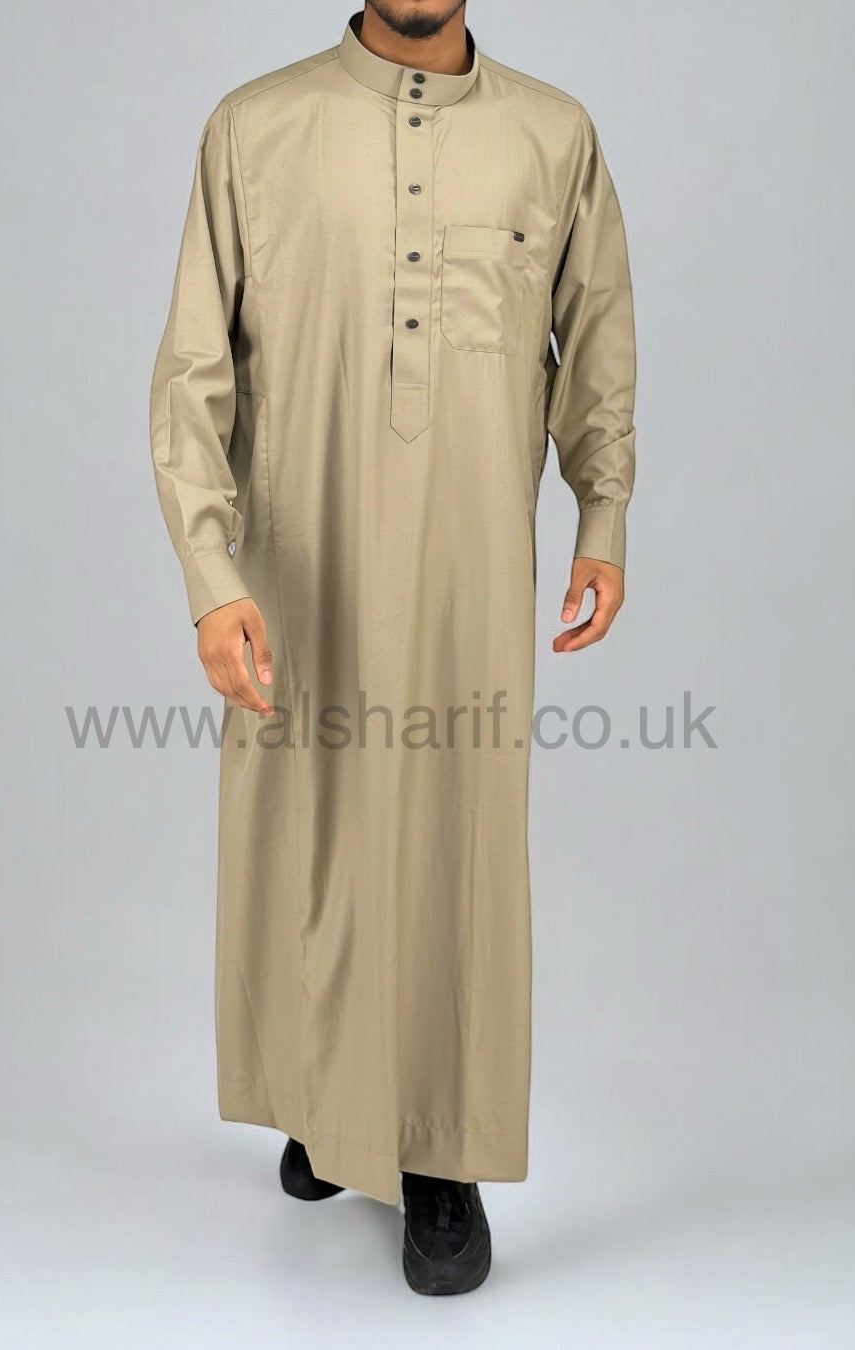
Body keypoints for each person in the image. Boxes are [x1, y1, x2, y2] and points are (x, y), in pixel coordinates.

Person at [149, 1, 636, 1295]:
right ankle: (327, 1099)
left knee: (452, 837)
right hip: (300, 560)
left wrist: (603, 512)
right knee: (307, 833)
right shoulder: (255, 128)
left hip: (469, 561)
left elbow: (595, 339)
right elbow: (192, 371)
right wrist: (210, 573)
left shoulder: (553, 136)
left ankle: (438, 1149)